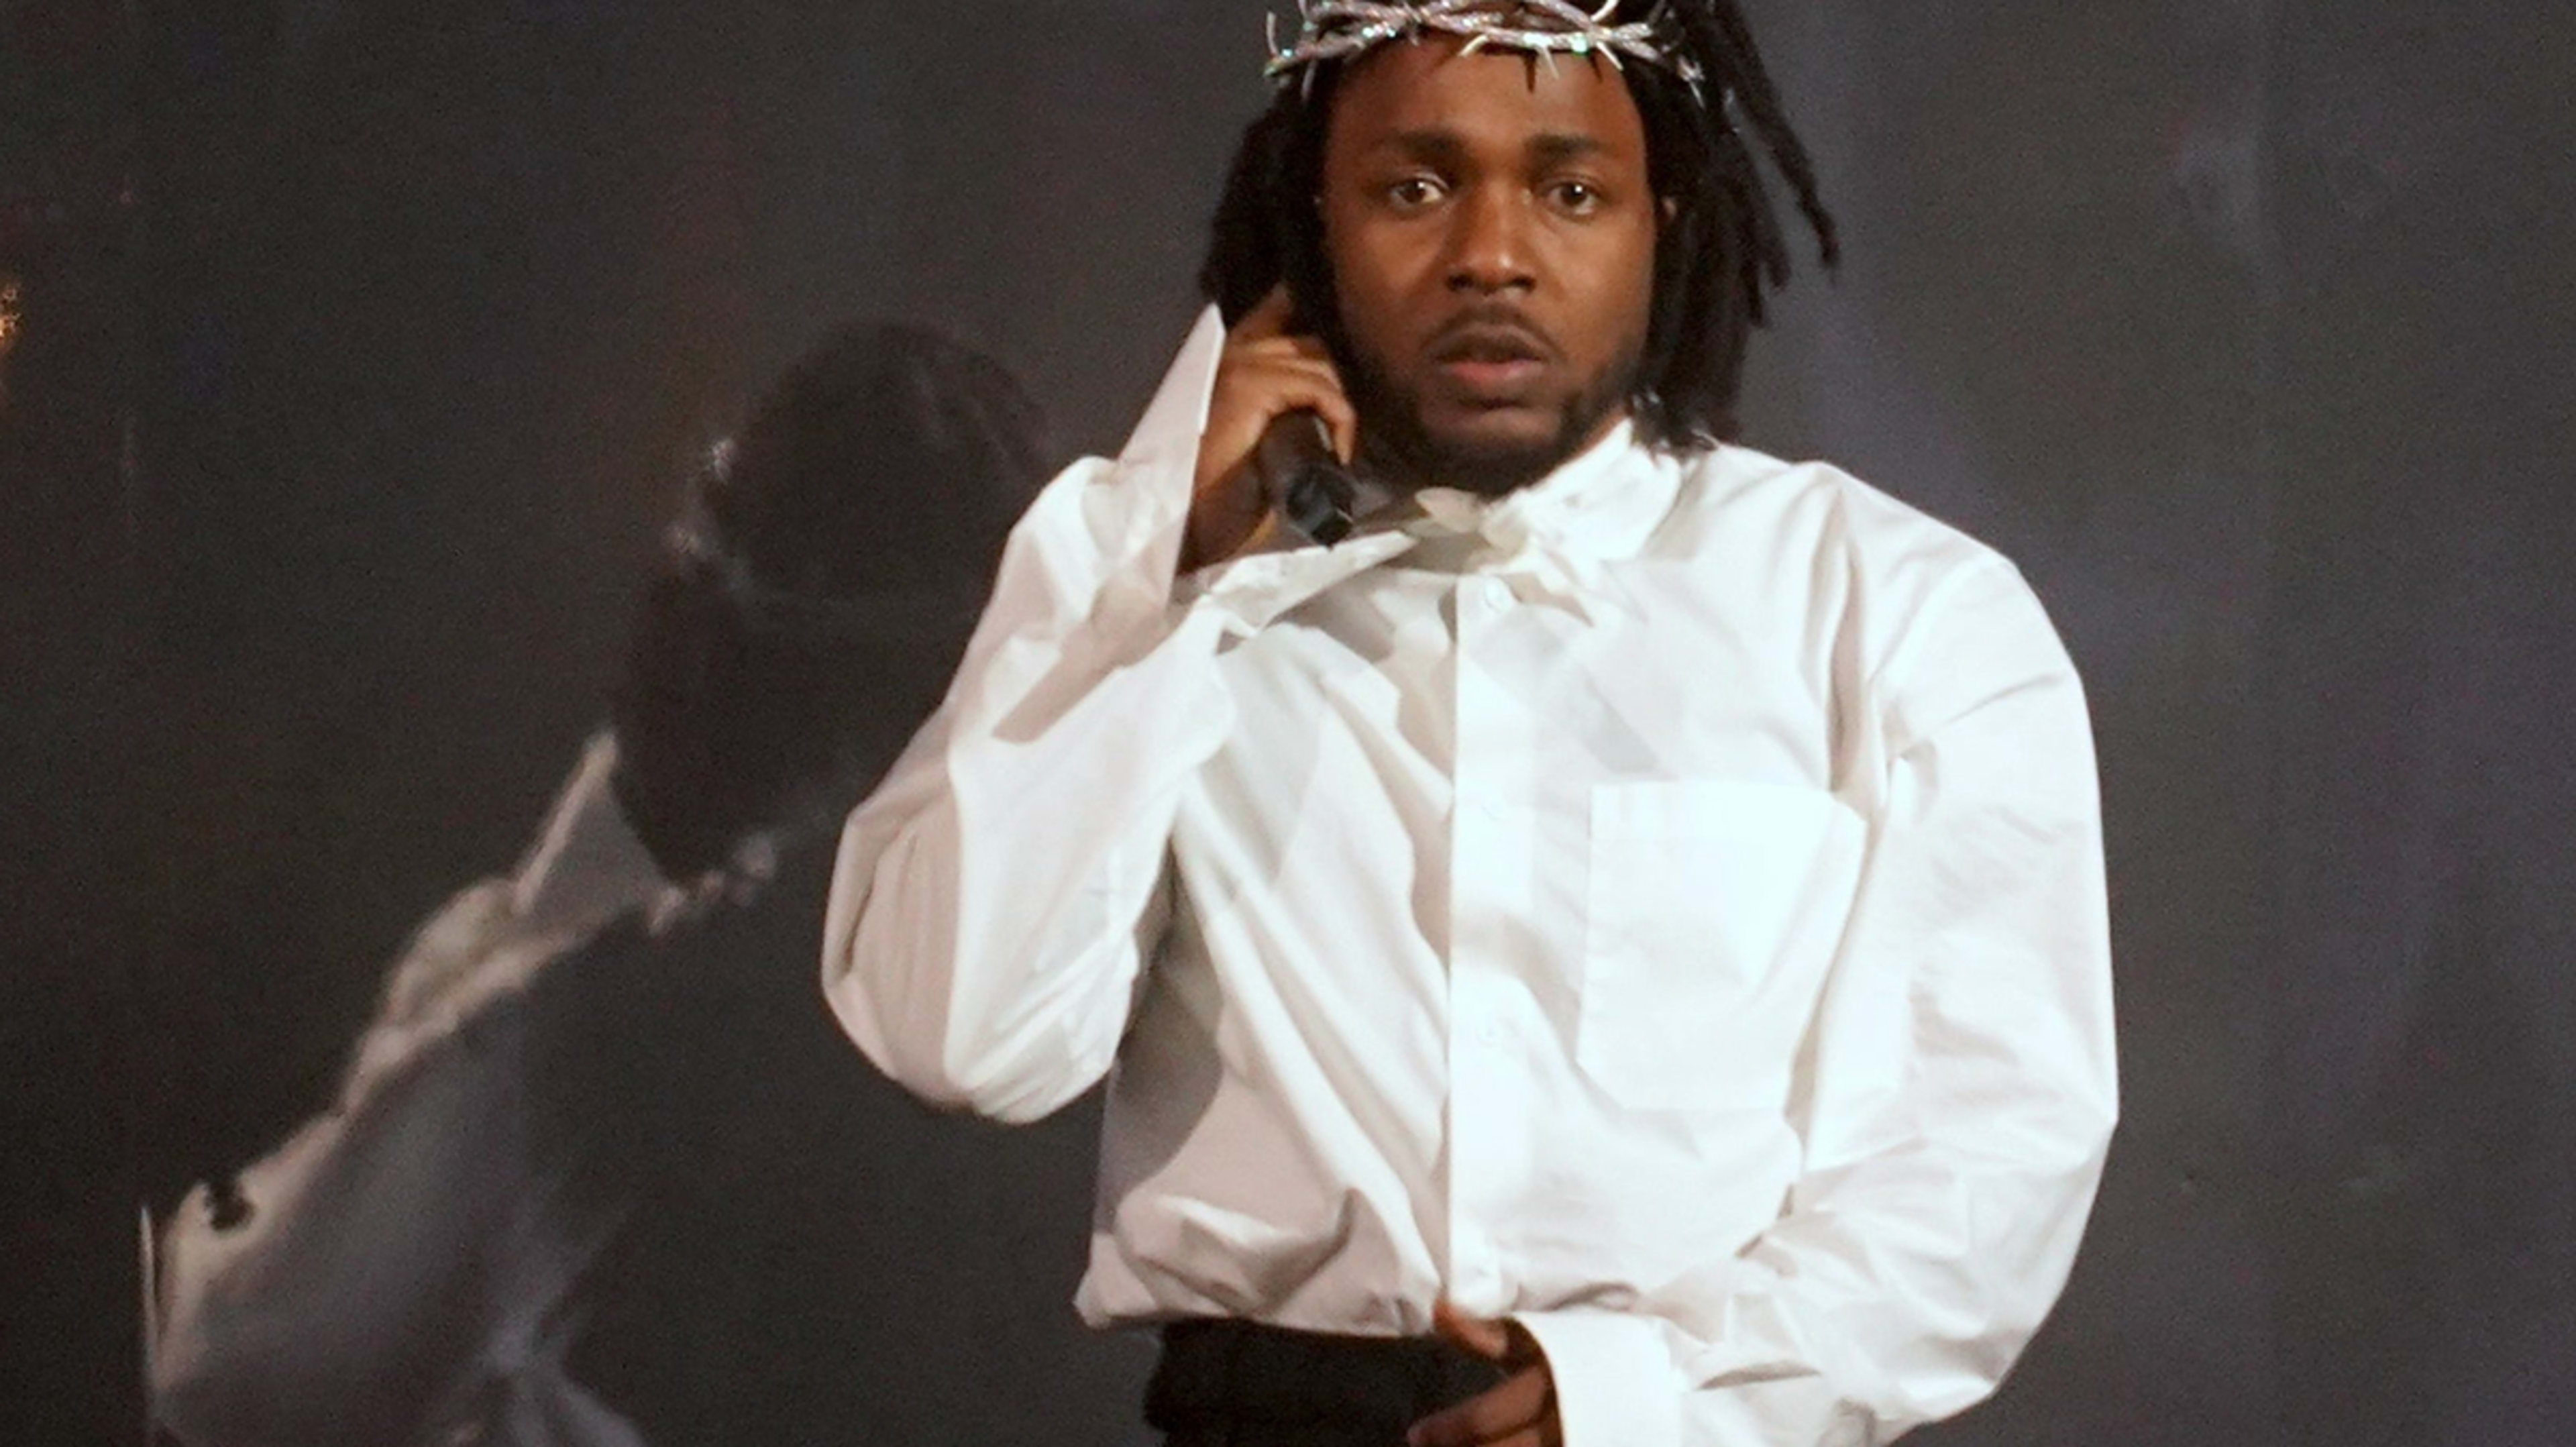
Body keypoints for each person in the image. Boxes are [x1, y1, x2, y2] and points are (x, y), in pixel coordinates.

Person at [821, 3, 2118, 1445]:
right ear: (1315, 227)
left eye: (1571, 191)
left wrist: (1640, 1403)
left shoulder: (1895, 607)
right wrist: (1169, 580)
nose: (1491, 253)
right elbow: (963, 1036)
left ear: (1661, 223)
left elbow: (1988, 1144)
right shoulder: (1148, 565)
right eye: (1415, 187)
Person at [147, 323, 1126, 1446]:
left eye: (694, 582)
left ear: (724, 644)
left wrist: (600, 855)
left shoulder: (623, 1036)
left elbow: (243, 1376)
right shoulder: (1140, 987)